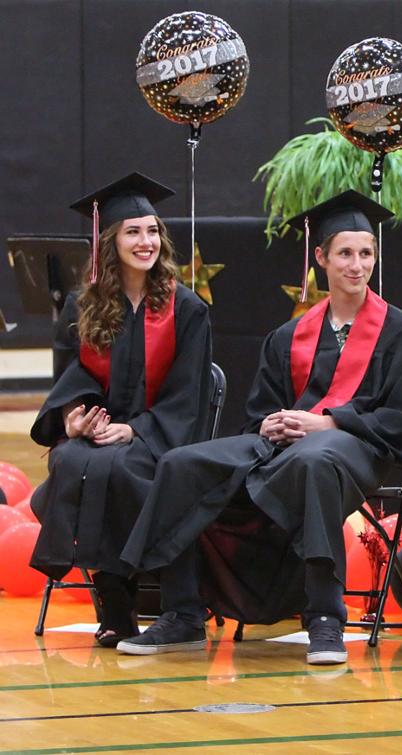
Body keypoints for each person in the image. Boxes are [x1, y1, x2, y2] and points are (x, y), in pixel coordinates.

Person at [118, 191, 402, 665]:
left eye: (366, 253)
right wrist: (274, 423)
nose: (357, 264)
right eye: (345, 253)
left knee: (316, 457)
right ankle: (182, 614)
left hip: (360, 450)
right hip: (283, 451)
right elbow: (259, 412)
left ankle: (325, 618)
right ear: (321, 257)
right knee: (182, 463)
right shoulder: (289, 336)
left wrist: (328, 422)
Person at [29, 173, 213, 647]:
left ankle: (177, 609)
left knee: (123, 469)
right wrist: (74, 417)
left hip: (160, 438)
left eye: (152, 231)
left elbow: (189, 395)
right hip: (101, 435)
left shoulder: (186, 309)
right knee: (71, 458)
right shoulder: (82, 306)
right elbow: (73, 380)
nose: (146, 241)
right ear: (109, 242)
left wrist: (135, 430)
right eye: (133, 232)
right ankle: (115, 609)